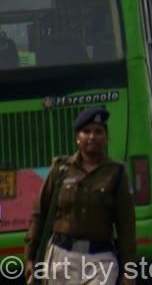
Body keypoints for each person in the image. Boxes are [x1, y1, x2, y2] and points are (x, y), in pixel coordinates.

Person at [25, 106, 136, 285]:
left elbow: (126, 227)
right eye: (86, 131)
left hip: (100, 260)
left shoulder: (116, 173)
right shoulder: (61, 170)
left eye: (98, 132)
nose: (92, 136)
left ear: (106, 138)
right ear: (78, 138)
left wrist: (129, 271)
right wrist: (30, 256)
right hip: (61, 258)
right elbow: (39, 214)